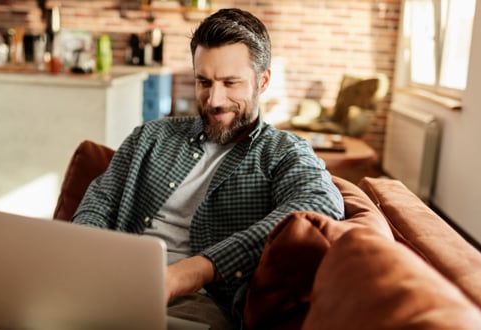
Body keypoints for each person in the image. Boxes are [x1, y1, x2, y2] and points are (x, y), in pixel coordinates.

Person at [72, 8, 344, 329]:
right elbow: (99, 203)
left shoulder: (283, 152)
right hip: (110, 284)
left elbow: (318, 205)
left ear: (263, 80)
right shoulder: (151, 136)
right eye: (204, 82)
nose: (214, 100)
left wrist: (195, 270)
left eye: (231, 83)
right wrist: (84, 259)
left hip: (198, 302)